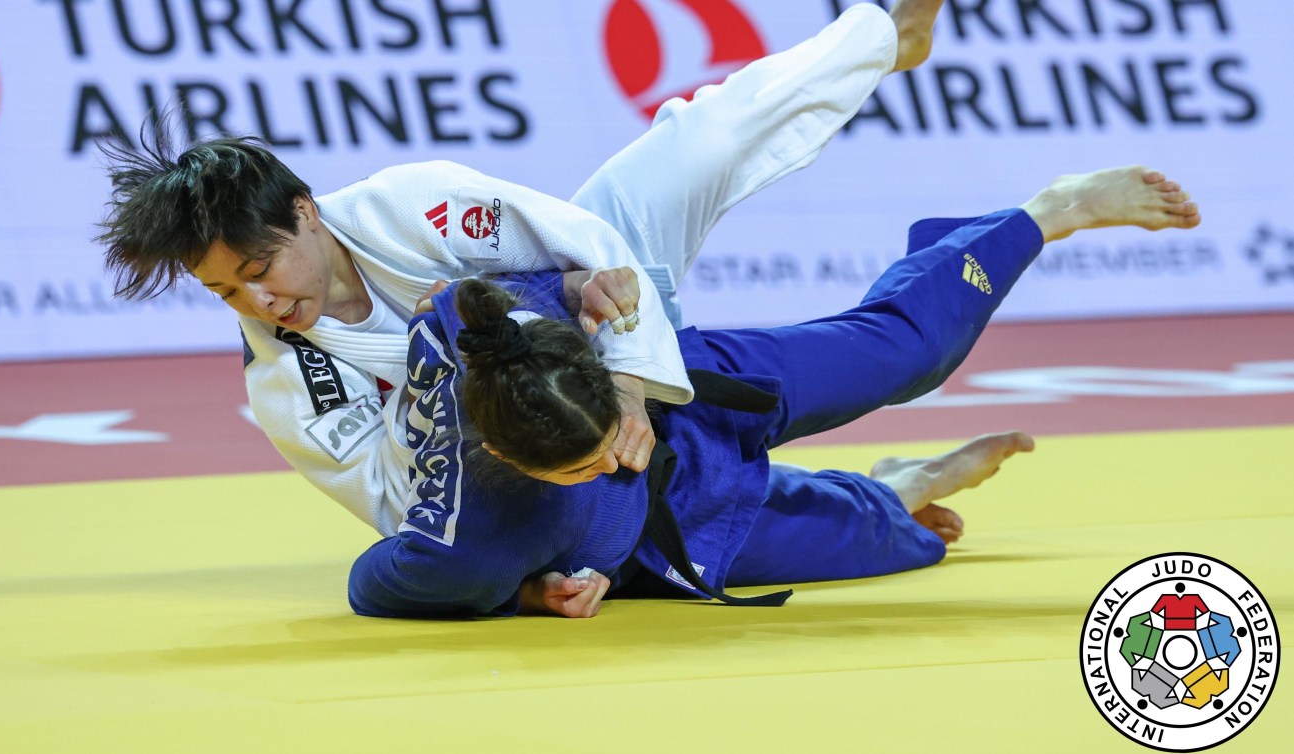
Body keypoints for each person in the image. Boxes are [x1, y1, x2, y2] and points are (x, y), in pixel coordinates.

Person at [94, 0, 948, 523]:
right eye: (222, 292)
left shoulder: (412, 202)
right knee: (699, 488)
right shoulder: (286, 383)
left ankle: (883, 35)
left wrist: (628, 379)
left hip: (609, 323)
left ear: (304, 213)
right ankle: (877, 495)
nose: (255, 300)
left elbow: (593, 245)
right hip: (541, 459)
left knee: (698, 141)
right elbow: (398, 511)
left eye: (257, 266)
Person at [347, 164, 1201, 619]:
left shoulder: (486, 328)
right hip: (663, 538)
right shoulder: (466, 548)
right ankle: (899, 484)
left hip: (693, 393)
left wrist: (583, 299)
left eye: (606, 432)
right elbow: (369, 585)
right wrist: (527, 596)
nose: (612, 456)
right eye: (585, 467)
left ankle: (1049, 210)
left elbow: (480, 296)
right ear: (501, 455)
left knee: (909, 358)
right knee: (894, 542)